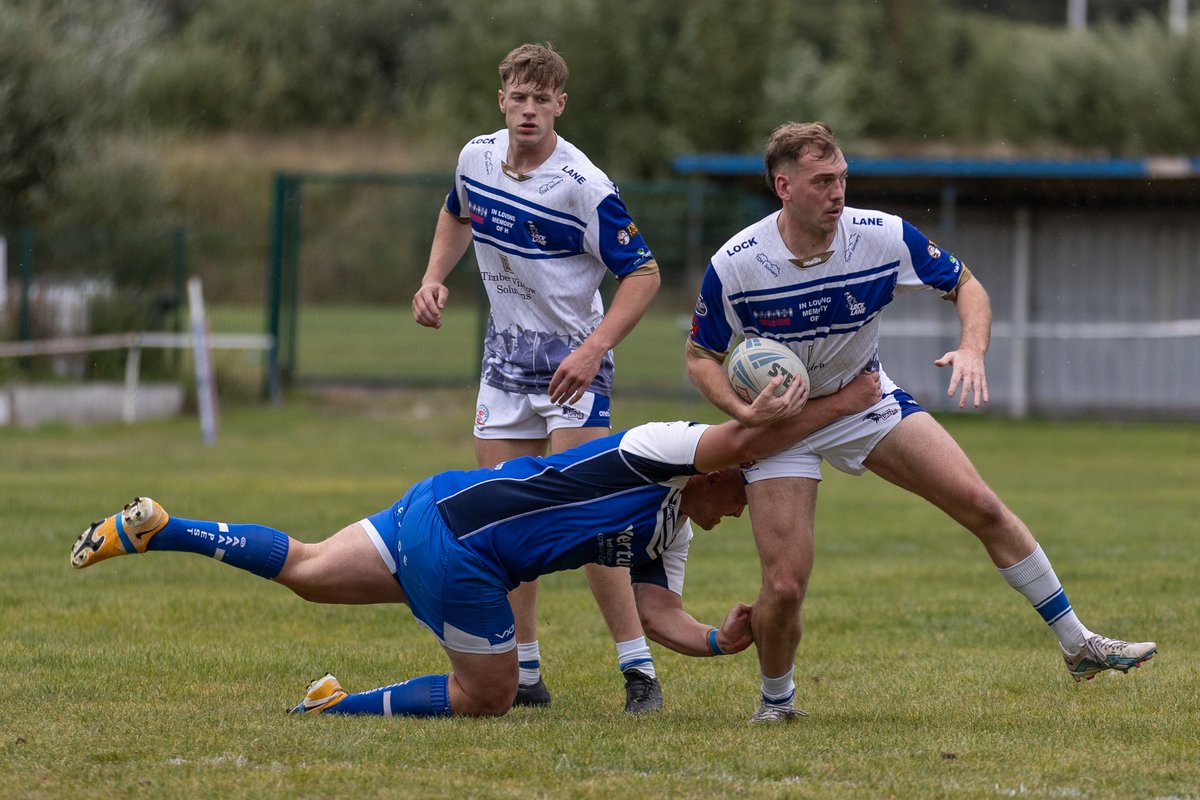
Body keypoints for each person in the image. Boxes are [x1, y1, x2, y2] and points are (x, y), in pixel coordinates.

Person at [685, 121, 1157, 724]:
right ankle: (777, 703)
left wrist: (972, 348)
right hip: (781, 426)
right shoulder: (737, 265)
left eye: (842, 178)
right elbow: (700, 357)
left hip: (865, 400)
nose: (838, 192)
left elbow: (967, 286)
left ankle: (1079, 644)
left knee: (981, 504)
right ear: (784, 186)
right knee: (783, 585)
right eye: (822, 181)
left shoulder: (882, 236)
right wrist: (744, 410)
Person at [68, 372, 882, 719]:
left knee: (309, 570)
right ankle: (337, 707)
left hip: (439, 502)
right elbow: (741, 436)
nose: (742, 512)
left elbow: (657, 612)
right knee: (490, 695)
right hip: (467, 552)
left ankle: (161, 528)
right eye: (746, 492)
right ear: (722, 470)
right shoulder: (659, 449)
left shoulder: (669, 529)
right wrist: (845, 401)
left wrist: (716, 642)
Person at [410, 42, 665, 713]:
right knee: (504, 519)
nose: (529, 110)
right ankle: (525, 674)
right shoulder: (476, 158)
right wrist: (433, 278)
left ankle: (638, 669)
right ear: (502, 102)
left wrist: (594, 350)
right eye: (518, 98)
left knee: (586, 518)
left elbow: (644, 274)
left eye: (541, 99)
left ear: (560, 105)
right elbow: (456, 212)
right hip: (504, 367)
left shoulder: (584, 185)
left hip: (573, 368)